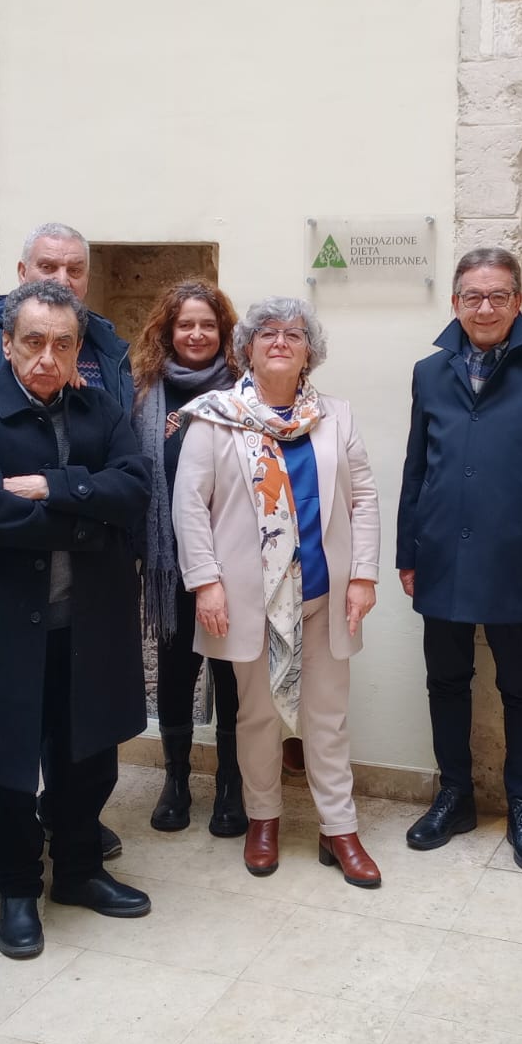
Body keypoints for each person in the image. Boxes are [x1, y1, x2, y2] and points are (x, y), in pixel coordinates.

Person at [0, 281, 152, 959]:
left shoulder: (100, 409)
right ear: (7, 344)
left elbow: (135, 489)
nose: (47, 357)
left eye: (62, 345)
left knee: (87, 755)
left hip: (88, 621)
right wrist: (90, 521)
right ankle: (15, 888)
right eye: (33, 342)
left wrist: (51, 487)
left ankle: (79, 870)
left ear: (77, 349)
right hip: (6, 623)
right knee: (7, 766)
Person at [173, 297, 382, 886]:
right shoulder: (216, 418)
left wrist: (363, 575)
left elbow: (364, 499)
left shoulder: (336, 416)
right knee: (258, 716)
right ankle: (263, 820)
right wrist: (206, 584)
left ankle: (339, 829)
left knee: (327, 718)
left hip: (324, 597)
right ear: (247, 348)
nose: (281, 341)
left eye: (295, 333)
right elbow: (189, 507)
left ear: (309, 351)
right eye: (267, 333)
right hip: (251, 600)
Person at [395, 246, 522, 871]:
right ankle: (454, 796)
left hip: (517, 559)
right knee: (446, 681)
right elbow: (417, 467)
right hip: (441, 554)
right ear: (456, 302)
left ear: (518, 300)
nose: (485, 308)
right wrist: (407, 550)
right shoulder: (430, 372)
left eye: (498, 295)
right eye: (473, 296)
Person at [131, 282, 247, 835]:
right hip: (171, 560)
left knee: (233, 676)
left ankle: (231, 783)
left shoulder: (245, 392)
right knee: (176, 673)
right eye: (185, 325)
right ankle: (176, 780)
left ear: (224, 332)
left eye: (208, 325)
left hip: (236, 561)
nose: (197, 334)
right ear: (167, 331)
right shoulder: (144, 393)